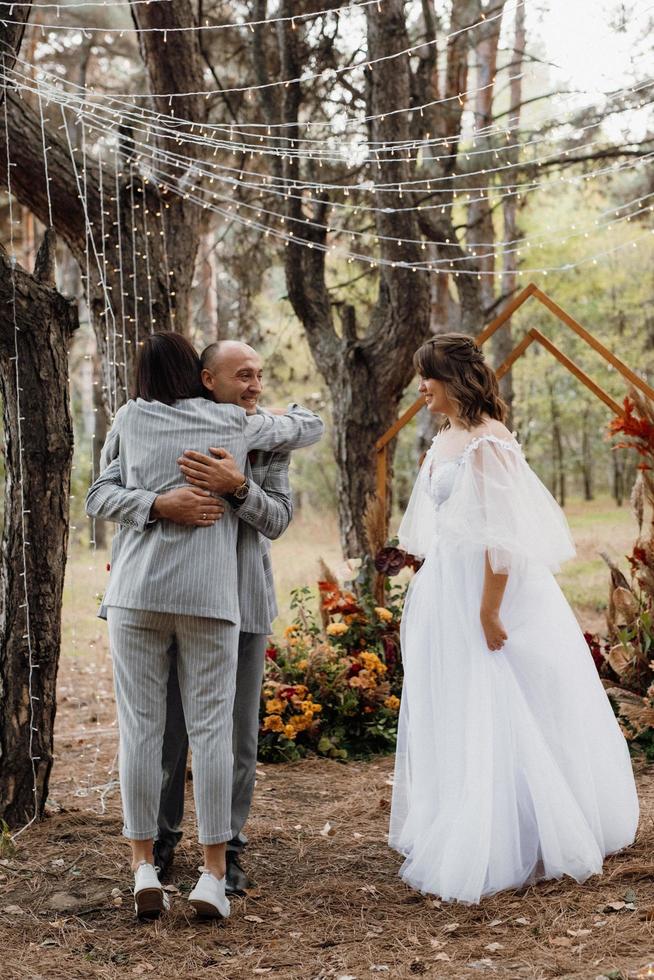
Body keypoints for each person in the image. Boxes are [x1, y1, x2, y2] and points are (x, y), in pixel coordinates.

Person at [389, 333, 639, 904]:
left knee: (504, 698)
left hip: (489, 591)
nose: (420, 387)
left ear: (454, 378)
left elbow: (502, 535)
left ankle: (520, 830)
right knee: (458, 702)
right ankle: (463, 811)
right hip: (447, 585)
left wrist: (489, 609)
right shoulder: (446, 437)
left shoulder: (489, 441)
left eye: (426, 376)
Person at [85, 333, 322, 921]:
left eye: (258, 374)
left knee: (156, 732)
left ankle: (156, 864)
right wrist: (163, 502)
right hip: (207, 597)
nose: (255, 384)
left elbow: (281, 504)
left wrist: (235, 487)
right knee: (203, 734)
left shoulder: (131, 417)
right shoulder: (233, 426)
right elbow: (308, 426)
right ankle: (200, 869)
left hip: (170, 595)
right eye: (242, 374)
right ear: (202, 377)